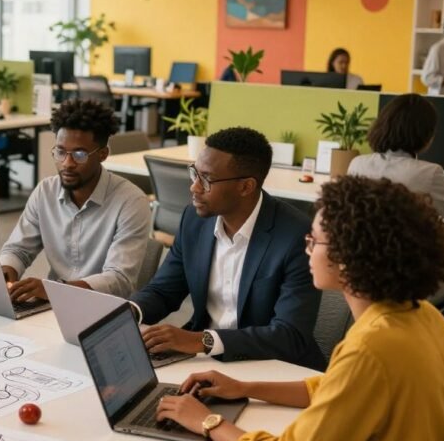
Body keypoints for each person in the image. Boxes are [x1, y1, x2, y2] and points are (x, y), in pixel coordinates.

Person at [156, 176, 444, 441]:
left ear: (347, 258)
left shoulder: (371, 349)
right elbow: (331, 388)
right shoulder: (423, 315)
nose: (306, 250)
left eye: (313, 241)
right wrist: (244, 388)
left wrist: (207, 421)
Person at [129, 128, 324, 370]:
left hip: (273, 365)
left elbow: (289, 334)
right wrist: (128, 313)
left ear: (246, 187)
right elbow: (164, 290)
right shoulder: (194, 219)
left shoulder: (295, 236)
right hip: (204, 360)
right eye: (194, 174)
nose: (194, 188)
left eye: (207, 179)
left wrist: (202, 340)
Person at [0, 99, 151, 300]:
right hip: (51, 306)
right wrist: (5, 273)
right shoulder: (45, 192)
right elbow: (17, 249)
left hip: (102, 310)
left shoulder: (131, 202)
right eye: (60, 152)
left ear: (103, 154)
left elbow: (119, 279)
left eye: (79, 154)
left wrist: (55, 291)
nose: (67, 163)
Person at [349, 93, 444, 235]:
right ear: (426, 135)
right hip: (407, 256)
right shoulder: (429, 174)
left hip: (360, 255)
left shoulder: (357, 165)